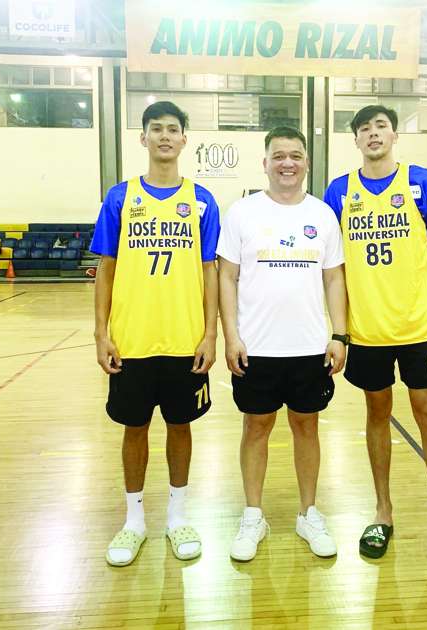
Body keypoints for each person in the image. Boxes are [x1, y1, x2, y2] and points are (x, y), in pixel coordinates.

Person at [323, 104, 427, 575]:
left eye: (380, 126)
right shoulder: (339, 191)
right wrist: (341, 330)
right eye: (363, 129)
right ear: (356, 140)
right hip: (367, 331)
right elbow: (335, 265)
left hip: (418, 327)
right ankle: (383, 513)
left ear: (394, 134)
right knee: (377, 413)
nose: (372, 134)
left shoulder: (424, 182)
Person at [89, 101, 220, 566]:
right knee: (134, 427)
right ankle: (134, 520)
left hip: (185, 341)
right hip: (132, 340)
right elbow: (106, 268)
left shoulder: (202, 200)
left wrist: (211, 335)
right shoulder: (120, 198)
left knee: (181, 426)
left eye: (173, 129)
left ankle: (178, 516)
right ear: (142, 139)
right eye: (155, 129)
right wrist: (100, 334)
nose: (165, 136)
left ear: (186, 140)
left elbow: (210, 271)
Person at [217, 126, 348, 562]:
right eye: (279, 155)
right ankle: (253, 514)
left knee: (306, 427)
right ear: (266, 162)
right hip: (256, 347)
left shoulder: (323, 215)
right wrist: (231, 335)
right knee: (256, 428)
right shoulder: (242, 213)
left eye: (295, 155)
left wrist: (339, 333)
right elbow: (227, 277)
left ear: (306, 162)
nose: (287, 162)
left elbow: (334, 278)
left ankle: (308, 513)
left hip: (310, 347)